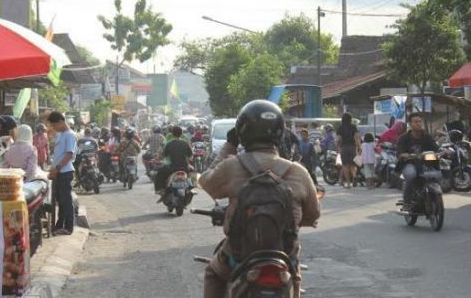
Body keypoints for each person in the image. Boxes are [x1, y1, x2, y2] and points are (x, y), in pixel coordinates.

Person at [199, 100, 320, 298]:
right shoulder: (298, 171)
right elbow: (313, 215)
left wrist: (230, 145)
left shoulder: (232, 166)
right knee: (293, 277)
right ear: (280, 132)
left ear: (242, 132)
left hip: (238, 255)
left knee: (213, 274)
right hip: (285, 256)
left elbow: (205, 181)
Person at [397, 112, 439, 211]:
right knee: (411, 175)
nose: (418, 124)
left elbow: (435, 149)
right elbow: (400, 153)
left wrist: (442, 152)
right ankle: (407, 202)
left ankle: (432, 196)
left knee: (436, 174)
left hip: (426, 163)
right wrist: (408, 155)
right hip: (409, 163)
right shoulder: (404, 138)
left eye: (420, 121)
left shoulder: (427, 136)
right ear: (410, 124)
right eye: (415, 122)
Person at [48, 111, 77, 235]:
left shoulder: (70, 135)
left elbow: (69, 154)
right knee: (60, 200)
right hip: (59, 171)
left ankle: (69, 227)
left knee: (66, 200)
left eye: (54, 125)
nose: (53, 128)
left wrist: (57, 168)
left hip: (65, 171)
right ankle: (60, 225)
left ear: (60, 122)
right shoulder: (61, 134)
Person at [155, 126, 193, 193]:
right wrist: (188, 163)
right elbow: (190, 156)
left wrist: (157, 160)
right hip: (184, 167)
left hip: (172, 168)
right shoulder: (185, 143)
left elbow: (163, 156)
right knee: (193, 171)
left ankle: (160, 189)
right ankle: (191, 187)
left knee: (159, 172)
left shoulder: (169, 144)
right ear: (181, 134)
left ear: (172, 134)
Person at [337, 112, 361, 189]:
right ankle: (354, 176)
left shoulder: (340, 127)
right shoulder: (354, 127)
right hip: (352, 147)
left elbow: (339, 139)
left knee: (345, 165)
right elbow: (356, 137)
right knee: (353, 164)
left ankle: (348, 183)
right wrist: (359, 147)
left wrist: (338, 147)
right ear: (350, 119)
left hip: (344, 147)